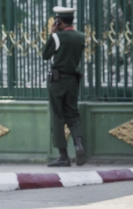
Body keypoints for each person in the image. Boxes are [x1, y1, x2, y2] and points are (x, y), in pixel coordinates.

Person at [42, 6, 87, 167]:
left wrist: (52, 34)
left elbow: (45, 55)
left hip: (57, 81)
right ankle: (79, 145)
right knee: (73, 114)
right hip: (73, 81)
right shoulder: (81, 37)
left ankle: (63, 156)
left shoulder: (57, 37)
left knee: (58, 116)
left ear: (58, 21)